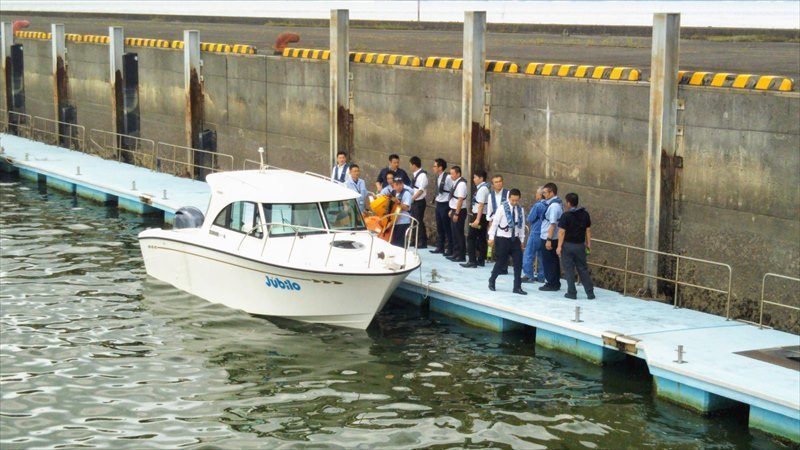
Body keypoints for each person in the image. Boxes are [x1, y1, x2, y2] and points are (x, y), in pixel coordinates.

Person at [488, 188, 527, 295]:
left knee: (518, 262)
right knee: (501, 261)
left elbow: (522, 226)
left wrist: (522, 239)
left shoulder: (520, 210)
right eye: (512, 200)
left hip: (515, 239)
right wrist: (491, 237)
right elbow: (495, 223)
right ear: (509, 198)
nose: (514, 203)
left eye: (516, 200)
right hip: (502, 238)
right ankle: (492, 279)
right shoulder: (502, 208)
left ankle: (517, 286)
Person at [557, 193, 596, 300]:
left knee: (569, 270)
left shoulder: (566, 216)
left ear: (568, 203)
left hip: (568, 246)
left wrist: (559, 247)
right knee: (583, 269)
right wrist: (588, 244)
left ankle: (572, 293)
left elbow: (561, 232)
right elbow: (588, 230)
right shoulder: (585, 214)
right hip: (580, 246)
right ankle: (590, 292)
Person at [462, 169, 490, 268]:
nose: (473, 179)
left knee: (471, 237)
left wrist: (477, 220)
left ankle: (472, 260)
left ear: (481, 178)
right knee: (482, 237)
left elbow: (481, 205)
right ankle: (481, 260)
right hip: (482, 216)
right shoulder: (484, 188)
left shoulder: (482, 189)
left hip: (479, 216)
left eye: (475, 177)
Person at [539, 183, 564, 292]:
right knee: (552, 261)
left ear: (551, 192)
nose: (543, 194)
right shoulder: (555, 203)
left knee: (549, 261)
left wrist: (548, 240)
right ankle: (555, 282)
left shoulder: (554, 206)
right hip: (550, 237)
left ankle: (551, 283)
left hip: (549, 237)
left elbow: (553, 224)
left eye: (545, 192)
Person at [522, 187, 547, 283]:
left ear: (540, 195)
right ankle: (542, 276)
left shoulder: (538, 206)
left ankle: (528, 274)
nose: (535, 195)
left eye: (536, 193)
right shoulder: (549, 205)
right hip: (544, 233)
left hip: (535, 232)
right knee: (542, 256)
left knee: (529, 254)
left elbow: (530, 218)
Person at [430, 158, 453, 256]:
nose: (433, 168)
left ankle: (450, 248)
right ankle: (440, 247)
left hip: (445, 204)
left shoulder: (447, 177)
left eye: (435, 166)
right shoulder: (438, 177)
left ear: (440, 167)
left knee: (446, 227)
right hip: (439, 203)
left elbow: (453, 189)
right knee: (439, 227)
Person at [447, 165, 468, 262]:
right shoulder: (455, 182)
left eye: (453, 173)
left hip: (459, 211)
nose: (451, 175)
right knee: (454, 232)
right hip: (454, 209)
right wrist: (452, 209)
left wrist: (456, 213)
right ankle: (455, 253)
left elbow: (460, 199)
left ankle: (461, 255)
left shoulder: (461, 184)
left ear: (458, 174)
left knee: (459, 233)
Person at [408, 156, 428, 249]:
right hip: (414, 201)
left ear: (414, 165)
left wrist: (412, 198)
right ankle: (414, 240)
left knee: (418, 221)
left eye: (410, 165)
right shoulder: (416, 174)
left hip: (419, 201)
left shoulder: (422, 175)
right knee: (413, 221)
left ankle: (422, 241)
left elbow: (420, 190)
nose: (410, 167)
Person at [388, 178, 413, 247]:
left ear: (402, 184)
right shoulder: (394, 192)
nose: (397, 186)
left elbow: (407, 207)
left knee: (399, 243)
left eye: (399, 184)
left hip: (403, 221)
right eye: (396, 184)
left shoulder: (406, 193)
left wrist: (398, 202)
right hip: (394, 221)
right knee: (393, 243)